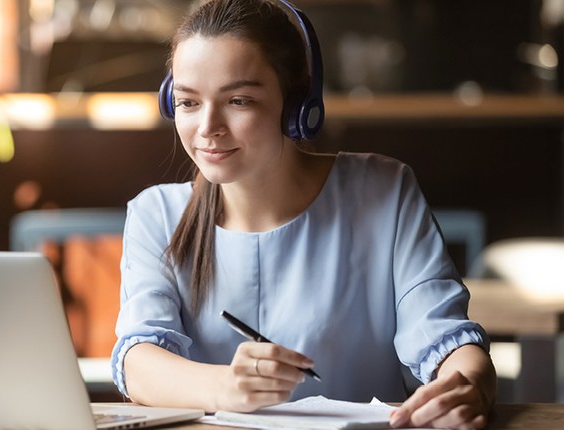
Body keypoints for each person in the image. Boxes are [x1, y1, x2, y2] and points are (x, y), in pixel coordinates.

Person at [110, 0, 497, 428]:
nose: (207, 128)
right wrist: (227, 387)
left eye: (238, 100)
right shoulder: (157, 214)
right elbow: (139, 362)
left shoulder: (383, 191)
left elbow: (445, 337)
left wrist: (470, 385)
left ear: (297, 105)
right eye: (188, 102)